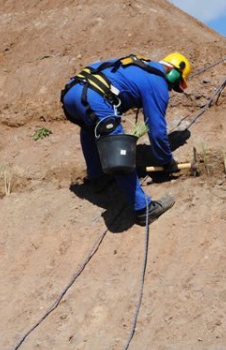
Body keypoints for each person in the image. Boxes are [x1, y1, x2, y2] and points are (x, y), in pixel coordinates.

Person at [60, 52, 192, 226]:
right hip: (95, 96)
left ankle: (97, 178)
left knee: (90, 129)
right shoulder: (158, 81)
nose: (170, 89)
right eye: (174, 85)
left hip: (71, 94)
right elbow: (157, 130)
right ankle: (143, 209)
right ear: (174, 72)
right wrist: (167, 161)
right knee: (118, 146)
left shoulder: (141, 66)